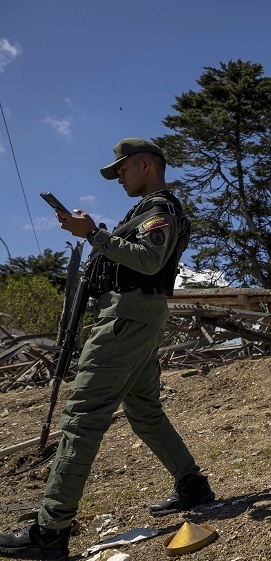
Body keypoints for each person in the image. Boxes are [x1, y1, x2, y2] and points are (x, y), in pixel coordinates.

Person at [0, 138, 214, 561]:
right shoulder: (147, 210)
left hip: (126, 320)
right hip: (135, 318)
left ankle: (52, 529)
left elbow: (150, 262)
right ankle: (191, 484)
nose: (119, 178)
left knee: (83, 416)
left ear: (147, 165)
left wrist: (93, 234)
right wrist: (95, 231)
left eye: (122, 170)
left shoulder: (160, 209)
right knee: (144, 410)